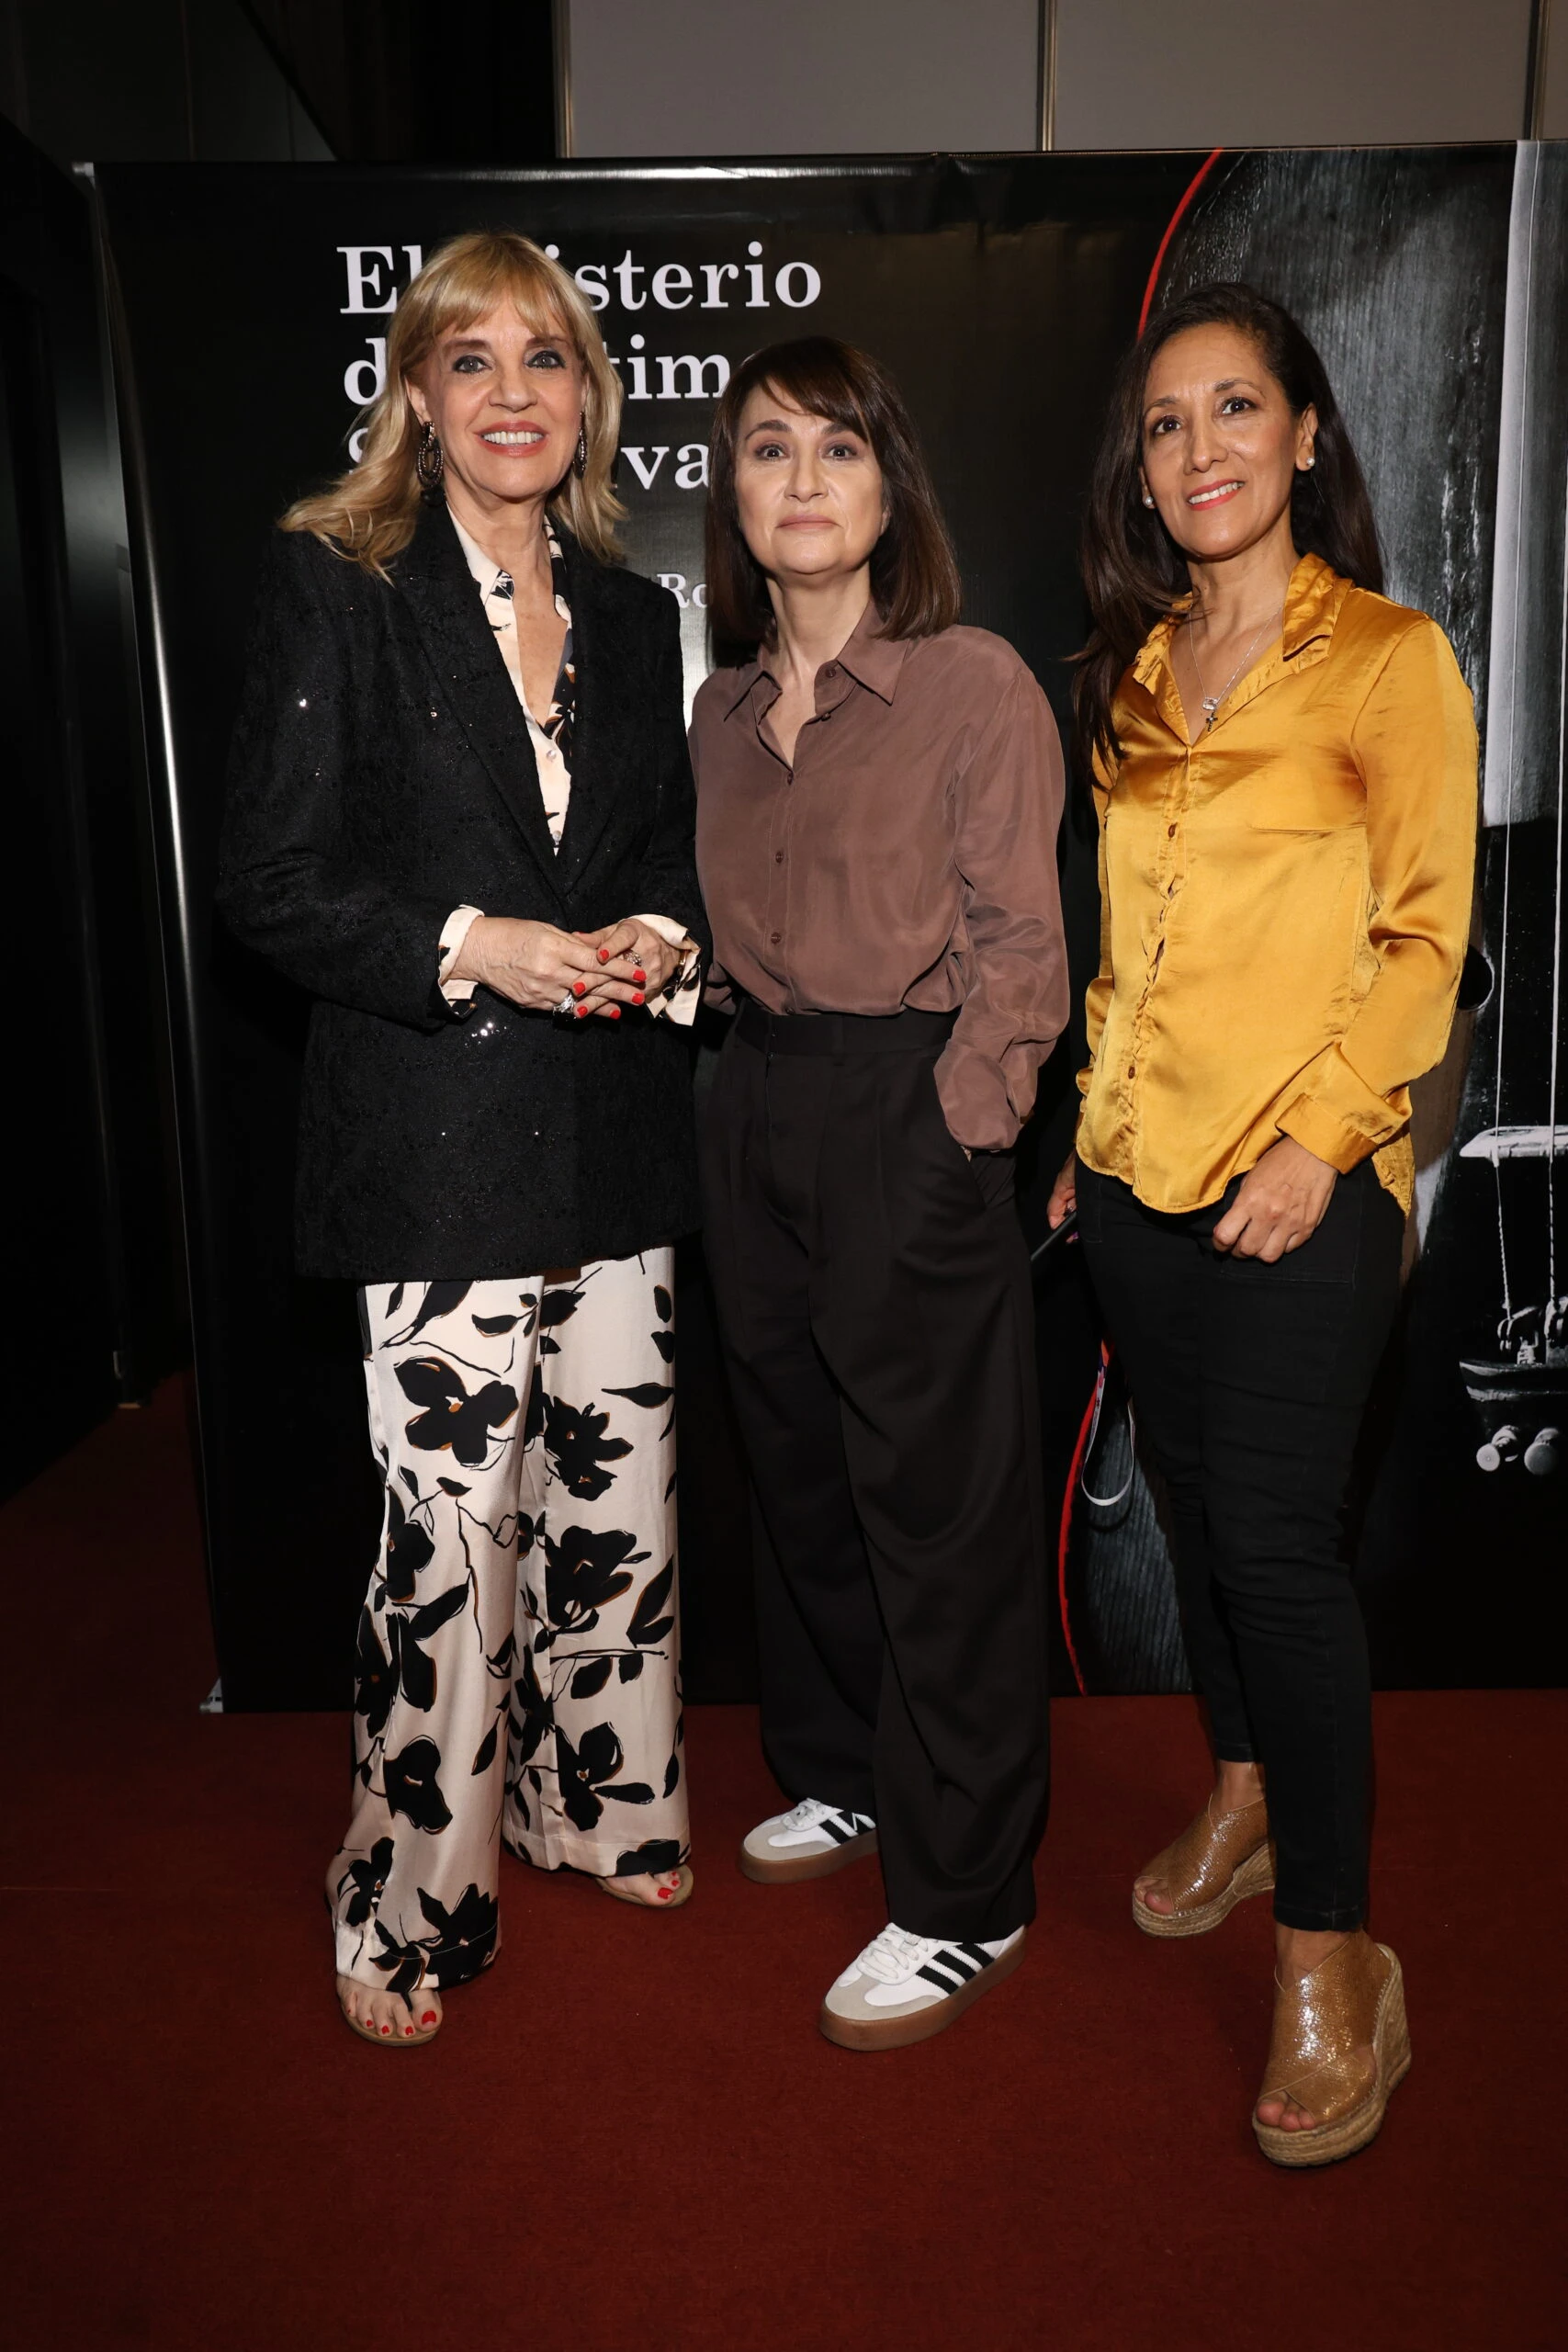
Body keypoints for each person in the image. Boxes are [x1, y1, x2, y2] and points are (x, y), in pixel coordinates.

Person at [219, 232, 707, 2050]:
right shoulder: (336, 586)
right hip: (432, 1140)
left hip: (615, 1132)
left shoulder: (640, 613)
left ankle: (607, 1803)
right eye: (472, 357)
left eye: (549, 358)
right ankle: (409, 1890)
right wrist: (466, 944)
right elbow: (268, 877)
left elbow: (659, 853)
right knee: (447, 1542)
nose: (515, 391)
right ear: (416, 391)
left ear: (587, 394)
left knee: (619, 1503)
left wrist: (661, 936)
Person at [1051, 281, 1476, 2163]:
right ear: (1140, 472)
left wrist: (1318, 1138)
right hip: (1138, 1182)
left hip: (1307, 1182)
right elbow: (1124, 952)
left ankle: (1332, 1951)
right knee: (1205, 1518)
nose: (1201, 446)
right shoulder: (1127, 680)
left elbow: (1423, 937)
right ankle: (1232, 1781)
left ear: (1306, 433)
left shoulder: (1390, 657)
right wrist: (1090, 1128)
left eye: (1236, 409)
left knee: (1280, 1552)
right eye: (1166, 421)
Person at [691, 335, 1068, 2052]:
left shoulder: (970, 682)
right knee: (798, 1480)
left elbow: (1020, 961)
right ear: (736, 495)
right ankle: (841, 1773)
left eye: (838, 450)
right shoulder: (716, 709)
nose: (804, 480)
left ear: (886, 487)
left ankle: (970, 1893)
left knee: (938, 1512)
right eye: (769, 451)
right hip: (751, 1105)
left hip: (902, 1114)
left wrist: (954, 1140)